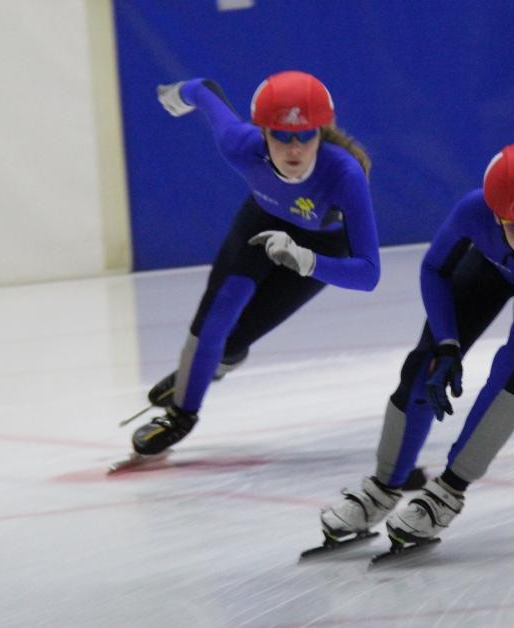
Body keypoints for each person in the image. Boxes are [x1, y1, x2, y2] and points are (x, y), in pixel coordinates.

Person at [319, 140, 514, 550]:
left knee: (513, 369)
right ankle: (383, 486)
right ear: (494, 215)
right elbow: (434, 268)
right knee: (425, 364)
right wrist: (448, 345)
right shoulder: (474, 210)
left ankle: (448, 492)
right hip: (491, 269)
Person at [129, 71, 380, 456]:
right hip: (261, 221)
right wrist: (176, 93)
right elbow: (204, 90)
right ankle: (181, 414)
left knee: (233, 342)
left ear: (321, 132)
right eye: (280, 135)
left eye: (306, 135)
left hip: (319, 247)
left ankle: (211, 365)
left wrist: (307, 260)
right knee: (215, 321)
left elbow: (368, 273)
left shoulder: (345, 174)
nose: (293, 149)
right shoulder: (239, 145)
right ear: (263, 132)